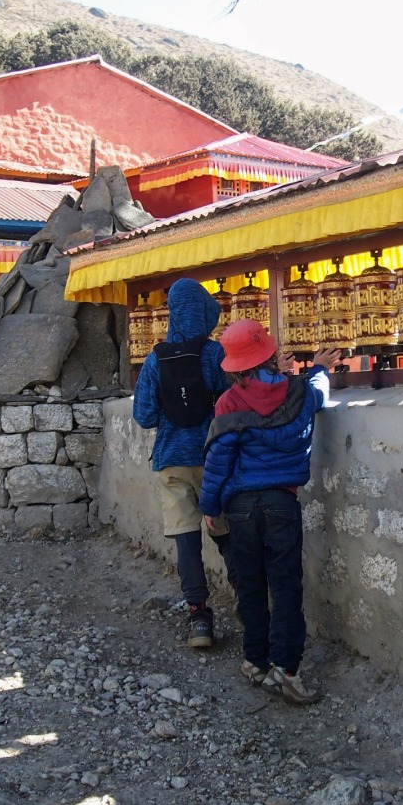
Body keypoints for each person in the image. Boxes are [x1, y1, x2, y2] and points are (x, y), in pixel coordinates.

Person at [201, 319, 339, 705]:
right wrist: (321, 369)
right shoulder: (299, 393)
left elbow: (218, 462)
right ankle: (287, 671)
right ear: (270, 355)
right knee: (285, 587)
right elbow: (319, 393)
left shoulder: (228, 403)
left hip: (241, 507)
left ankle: (255, 661)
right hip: (282, 504)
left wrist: (210, 507)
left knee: (250, 584)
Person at [131, 278, 230, 649]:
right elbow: (231, 402)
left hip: (171, 461)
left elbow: (144, 415)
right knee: (224, 532)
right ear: (204, 311)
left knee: (186, 541)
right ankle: (247, 601)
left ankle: (199, 619)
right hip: (212, 459)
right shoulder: (214, 354)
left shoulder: (156, 358)